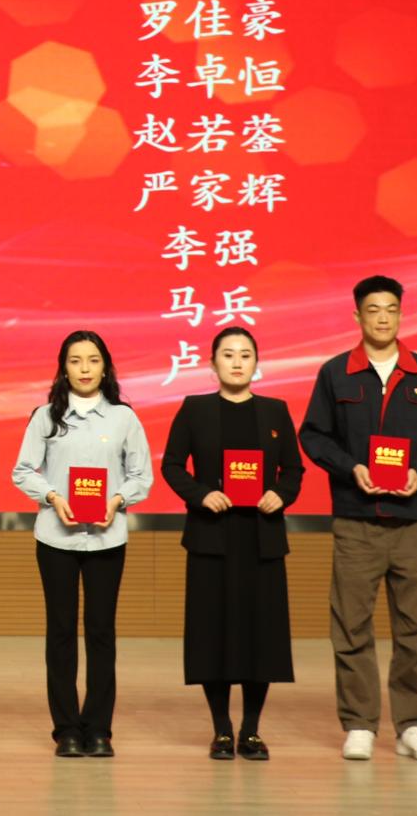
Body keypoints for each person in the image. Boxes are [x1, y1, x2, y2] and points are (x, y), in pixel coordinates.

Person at [299, 275, 417, 762]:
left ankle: (413, 725)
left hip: (412, 520)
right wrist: (352, 468)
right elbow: (313, 435)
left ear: (401, 314)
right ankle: (360, 723)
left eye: (391, 309)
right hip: (357, 521)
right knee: (351, 626)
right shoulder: (336, 373)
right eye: (373, 309)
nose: (383, 318)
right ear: (358, 316)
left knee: (415, 628)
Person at [160, 326, 305, 761]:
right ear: (212, 364)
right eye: (228, 354)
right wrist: (200, 494)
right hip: (212, 537)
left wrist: (281, 494)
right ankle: (222, 729)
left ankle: (251, 730)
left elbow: (293, 470)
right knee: (213, 634)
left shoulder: (276, 411)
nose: (237, 362)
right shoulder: (195, 409)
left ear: (257, 364)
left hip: (261, 538)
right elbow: (172, 465)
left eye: (245, 354)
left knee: (262, 635)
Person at [11, 329, 153, 757]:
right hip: (56, 538)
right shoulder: (45, 417)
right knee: (60, 632)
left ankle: (99, 728)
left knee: (101, 632)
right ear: (64, 369)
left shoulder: (124, 418)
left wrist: (118, 500)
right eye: (75, 361)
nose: (85, 369)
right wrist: (53, 496)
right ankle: (67, 730)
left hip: (107, 539)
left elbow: (141, 476)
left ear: (105, 367)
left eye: (93, 360)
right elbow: (23, 471)